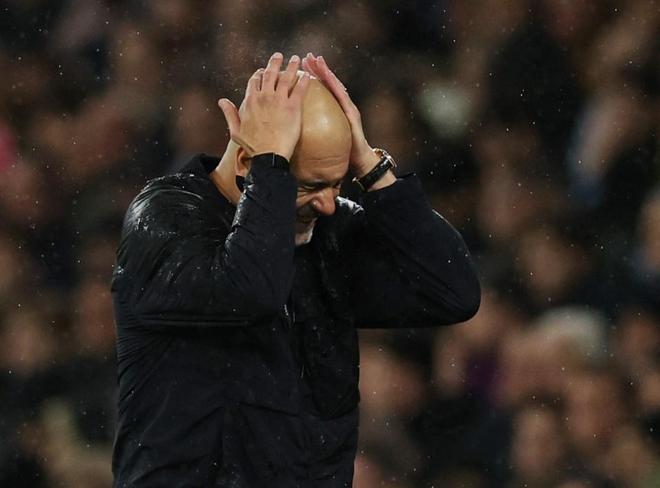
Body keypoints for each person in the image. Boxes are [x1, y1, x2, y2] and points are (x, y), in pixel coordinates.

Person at [110, 52, 481, 487]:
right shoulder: (167, 219)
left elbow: (451, 292)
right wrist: (272, 167)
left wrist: (372, 168)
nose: (328, 204)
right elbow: (251, 291)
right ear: (247, 162)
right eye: (310, 184)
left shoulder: (330, 231)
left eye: (337, 183)